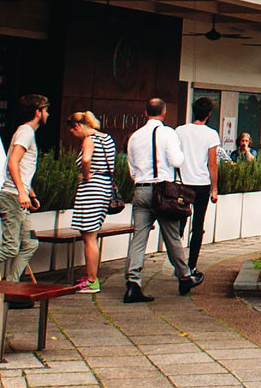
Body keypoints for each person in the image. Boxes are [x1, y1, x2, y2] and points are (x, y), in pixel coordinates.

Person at [123, 97, 191, 303]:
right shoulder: (168, 133)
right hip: (163, 192)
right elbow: (176, 161)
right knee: (171, 236)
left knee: (139, 237)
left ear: (145, 113)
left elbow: (132, 169)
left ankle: (132, 282)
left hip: (141, 190)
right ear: (163, 113)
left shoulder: (134, 136)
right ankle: (185, 276)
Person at [0, 93, 46, 283]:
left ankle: (11, 285)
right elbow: (13, 162)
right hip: (12, 196)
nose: (48, 114)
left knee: (30, 244)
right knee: (10, 248)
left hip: (18, 196)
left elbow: (22, 167)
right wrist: (22, 192)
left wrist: (29, 192)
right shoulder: (26, 132)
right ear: (38, 112)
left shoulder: (26, 132)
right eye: (46, 110)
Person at [66, 112, 115, 294]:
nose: (74, 135)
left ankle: (92, 280)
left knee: (89, 237)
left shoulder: (89, 140)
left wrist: (85, 175)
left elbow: (86, 159)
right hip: (104, 187)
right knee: (92, 234)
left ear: (78, 126)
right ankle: (90, 275)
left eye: (73, 131)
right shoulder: (107, 138)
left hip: (91, 189)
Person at [175, 96, 221, 284]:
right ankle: (192, 265)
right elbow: (212, 163)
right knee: (198, 226)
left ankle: (177, 263)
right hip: (201, 184)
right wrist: (214, 189)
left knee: (179, 225)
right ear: (209, 114)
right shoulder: (211, 134)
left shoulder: (180, 131)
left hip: (183, 183)